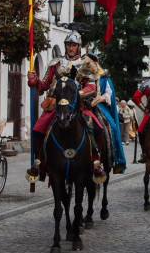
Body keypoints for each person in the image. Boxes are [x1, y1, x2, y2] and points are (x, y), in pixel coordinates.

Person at [26, 32, 104, 182]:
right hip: (56, 105)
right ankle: (39, 164)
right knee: (37, 130)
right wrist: (34, 80)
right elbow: (45, 85)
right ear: (65, 46)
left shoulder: (86, 63)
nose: (71, 48)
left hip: (78, 105)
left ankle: (96, 161)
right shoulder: (55, 63)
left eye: (74, 45)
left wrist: (75, 95)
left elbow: (91, 87)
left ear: (78, 47)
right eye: (68, 45)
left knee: (98, 129)